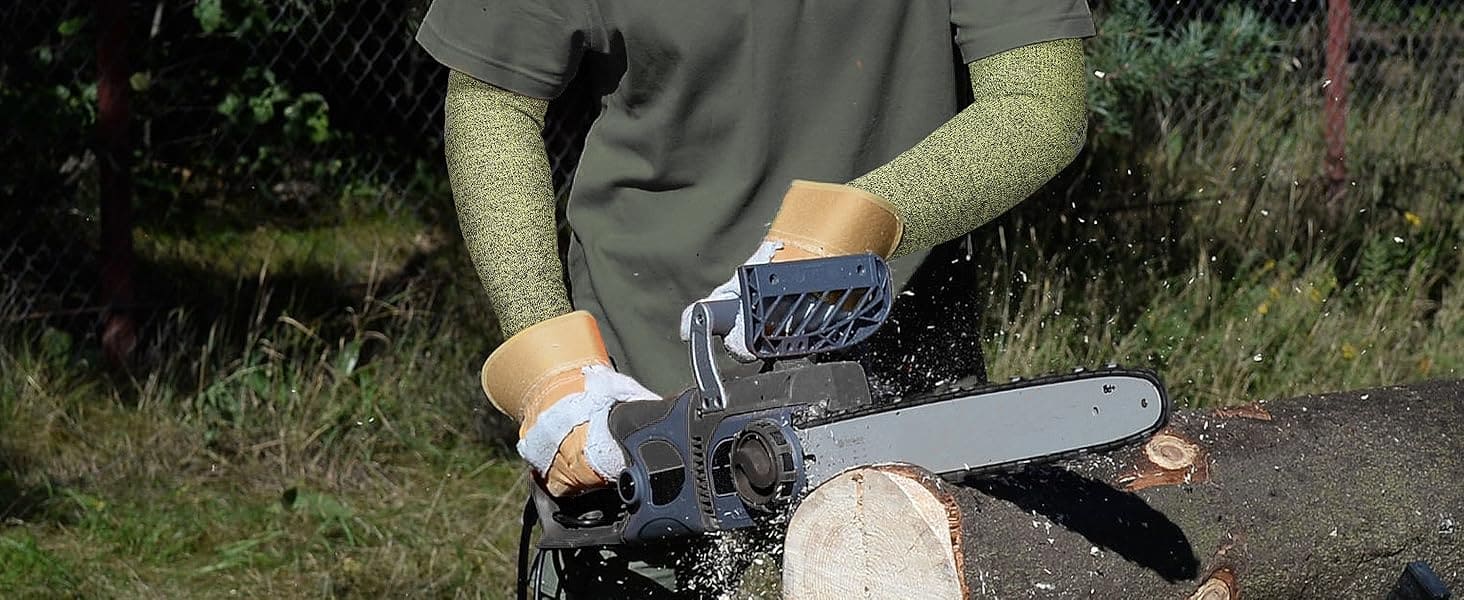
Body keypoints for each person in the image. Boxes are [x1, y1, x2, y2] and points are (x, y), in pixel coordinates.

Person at [417, 0, 1094, 594]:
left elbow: (1036, 103)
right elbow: (493, 98)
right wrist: (551, 367)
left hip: (895, 382)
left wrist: (846, 235)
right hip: (640, 388)